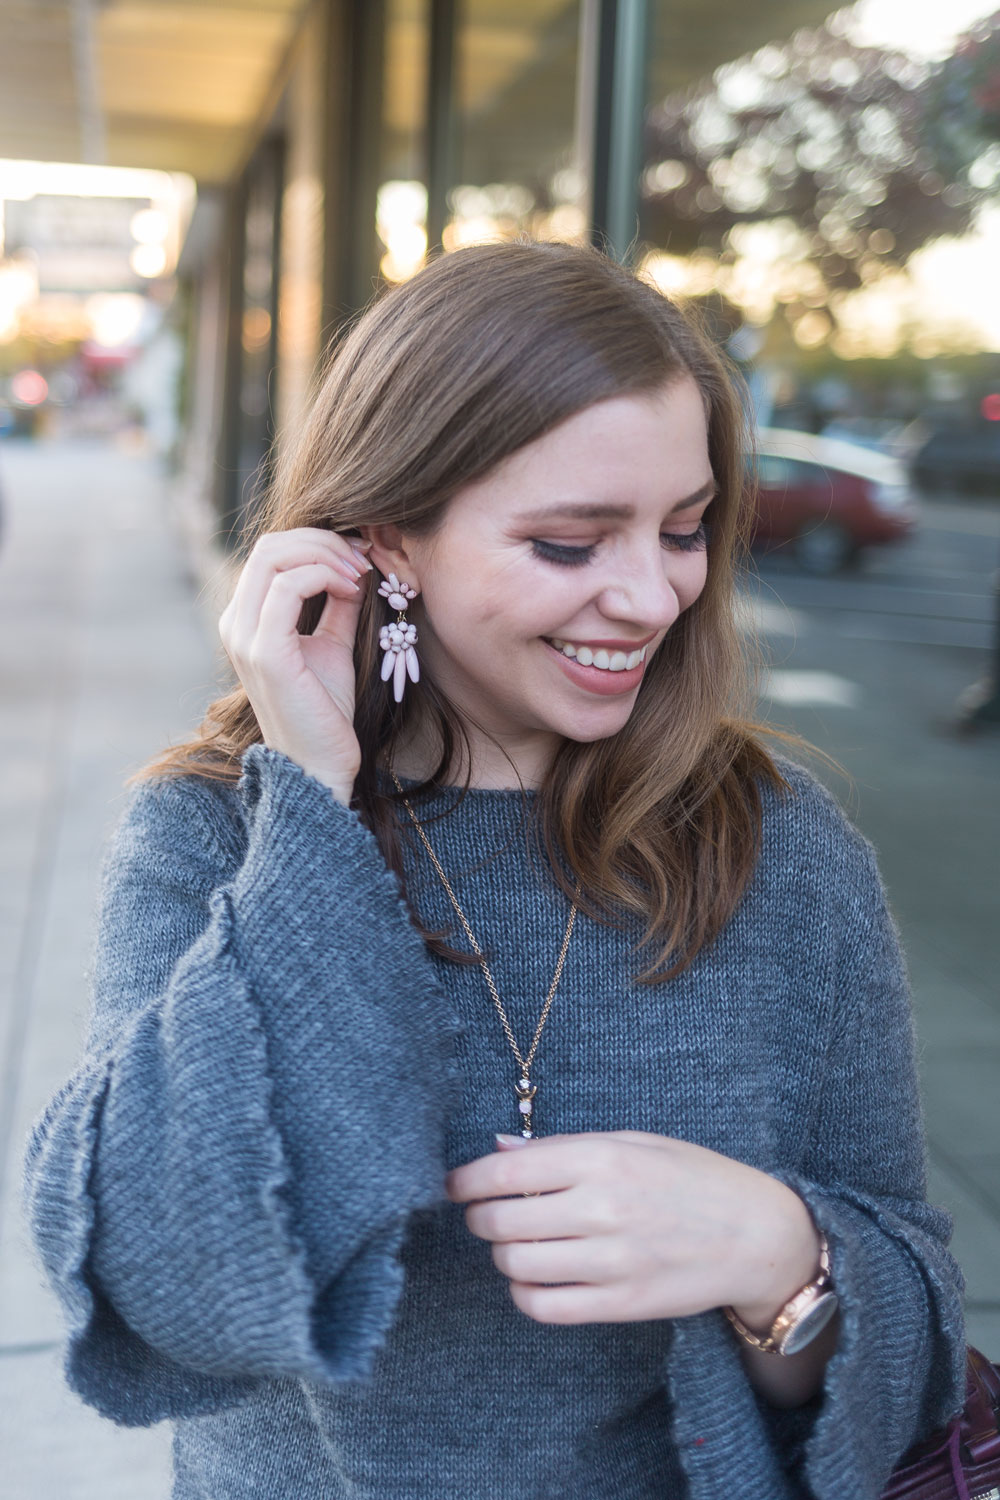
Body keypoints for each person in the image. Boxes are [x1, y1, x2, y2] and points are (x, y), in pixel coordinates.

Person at [24, 242, 965, 1500]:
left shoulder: (777, 847)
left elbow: (915, 1355)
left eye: (683, 531)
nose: (649, 596)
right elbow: (161, 1293)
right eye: (572, 544)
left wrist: (779, 1257)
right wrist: (312, 796)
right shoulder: (212, 836)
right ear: (387, 541)